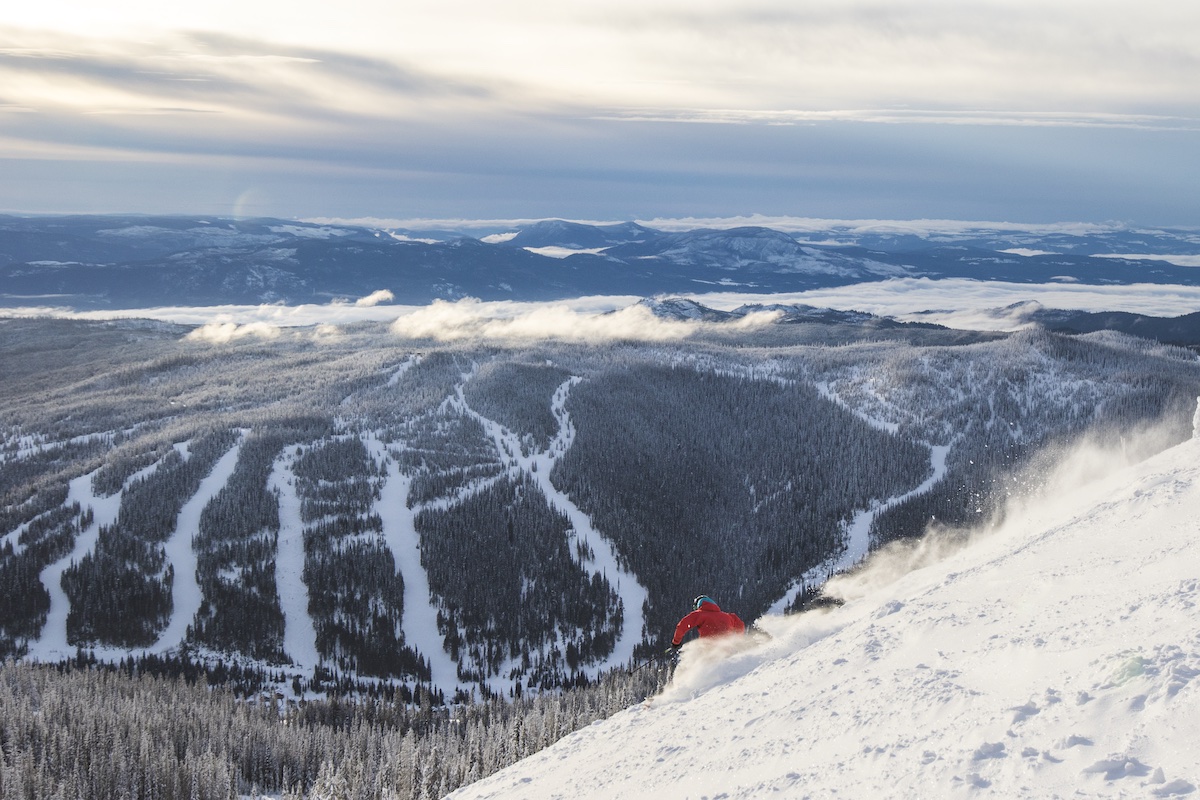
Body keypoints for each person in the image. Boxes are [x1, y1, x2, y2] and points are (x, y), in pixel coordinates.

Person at [669, 595, 745, 650]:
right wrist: (738, 639)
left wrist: (676, 642)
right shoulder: (729, 616)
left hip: (708, 649)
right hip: (728, 648)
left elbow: (682, 626)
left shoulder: (699, 614)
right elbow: (740, 625)